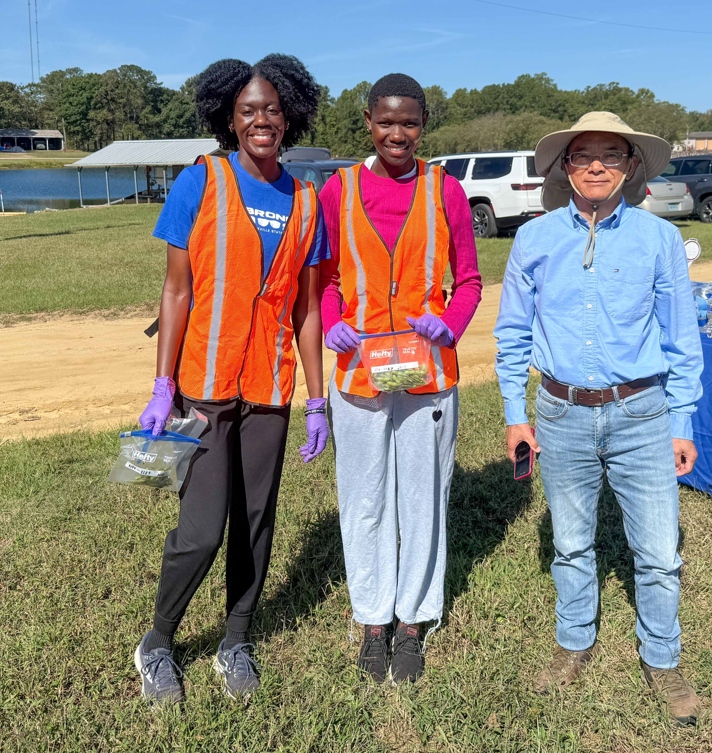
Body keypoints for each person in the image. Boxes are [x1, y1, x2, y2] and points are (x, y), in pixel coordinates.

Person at [494, 111, 704, 725]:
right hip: (560, 413)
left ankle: (662, 657)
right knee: (570, 542)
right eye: (582, 155)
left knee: (660, 551)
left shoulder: (658, 239)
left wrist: (682, 421)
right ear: (564, 166)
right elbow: (511, 333)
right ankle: (574, 642)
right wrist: (515, 414)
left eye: (610, 155)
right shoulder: (534, 239)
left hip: (643, 413)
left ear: (630, 166)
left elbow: (681, 336)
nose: (595, 165)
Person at [133, 54, 329, 705]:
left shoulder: (305, 200)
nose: (261, 120)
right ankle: (158, 641)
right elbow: (177, 290)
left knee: (255, 520)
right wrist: (163, 387)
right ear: (228, 117)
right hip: (206, 384)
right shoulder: (202, 181)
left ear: (290, 114)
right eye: (248, 110)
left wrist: (317, 396)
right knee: (201, 528)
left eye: (272, 109)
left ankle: (235, 638)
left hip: (270, 388)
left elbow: (307, 309)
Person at [318, 73, 482, 685]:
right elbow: (328, 279)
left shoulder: (447, 191)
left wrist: (449, 325)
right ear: (368, 122)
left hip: (428, 373)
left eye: (409, 123)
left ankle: (412, 621)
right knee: (363, 499)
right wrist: (334, 322)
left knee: (422, 498)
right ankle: (371, 618)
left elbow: (467, 281)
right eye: (386, 122)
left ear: (422, 126)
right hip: (358, 372)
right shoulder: (338, 191)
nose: (397, 134)